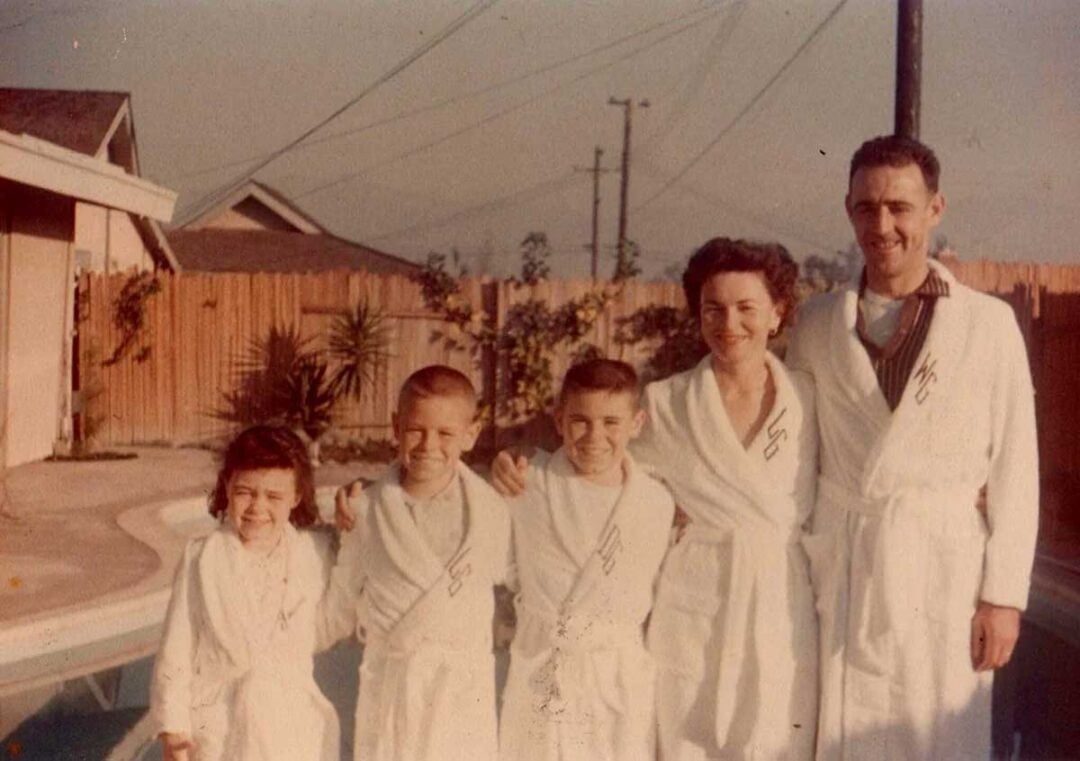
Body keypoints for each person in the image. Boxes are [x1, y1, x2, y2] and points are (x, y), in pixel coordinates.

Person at [493, 238, 819, 760]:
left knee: (775, 739)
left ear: (777, 312)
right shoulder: (667, 403)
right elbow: (594, 456)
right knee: (687, 740)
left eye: (746, 308)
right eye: (713, 308)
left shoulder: (807, 398)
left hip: (779, 596)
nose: (729, 323)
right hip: (695, 602)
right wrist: (521, 463)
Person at [786, 134, 1039, 760]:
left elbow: (1015, 465)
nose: (883, 224)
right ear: (849, 211)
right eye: (866, 207)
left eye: (900, 207)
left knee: (938, 735)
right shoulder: (818, 323)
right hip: (847, 565)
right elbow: (792, 453)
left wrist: (1002, 597)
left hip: (943, 572)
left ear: (935, 209)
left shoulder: (986, 325)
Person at [320, 364, 513, 761]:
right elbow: (341, 599)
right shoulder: (367, 509)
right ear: (395, 426)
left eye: (445, 433)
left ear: (470, 434)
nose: (429, 445)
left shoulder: (492, 510)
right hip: (394, 685)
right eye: (416, 430)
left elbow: (520, 581)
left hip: (463, 691)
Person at [499, 359, 675, 761]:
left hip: (616, 679)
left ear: (637, 423)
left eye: (612, 422)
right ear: (559, 420)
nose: (595, 436)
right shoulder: (529, 482)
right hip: (545, 668)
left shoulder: (653, 503)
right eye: (580, 420)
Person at [151, 425, 339, 761]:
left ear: (296, 497)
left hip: (288, 725)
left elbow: (362, 548)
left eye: (274, 496)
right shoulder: (202, 558)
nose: (257, 507)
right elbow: (176, 649)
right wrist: (174, 729)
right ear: (227, 486)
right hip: (219, 725)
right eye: (245, 492)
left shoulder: (312, 553)